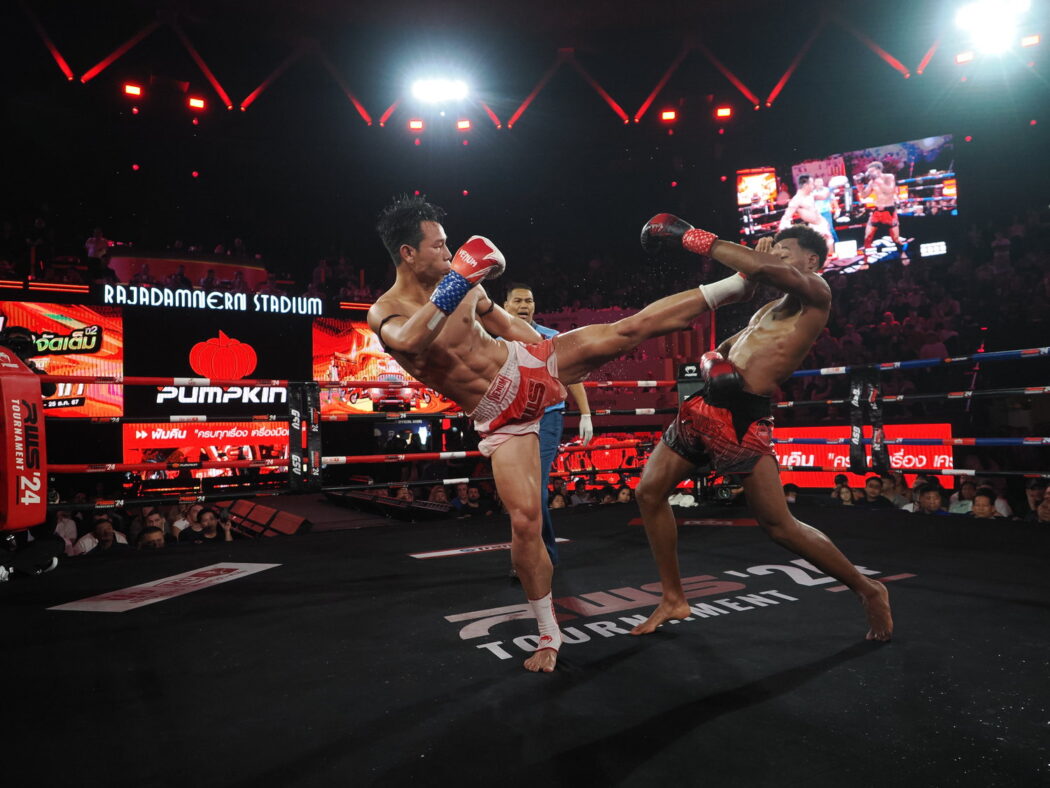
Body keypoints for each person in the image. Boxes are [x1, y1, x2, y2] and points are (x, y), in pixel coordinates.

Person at [368, 196, 759, 672]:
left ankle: (737, 285)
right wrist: (459, 280)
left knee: (625, 331)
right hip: (499, 416)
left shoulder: (466, 287)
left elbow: (511, 326)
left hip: (525, 366)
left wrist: (558, 355)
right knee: (525, 522)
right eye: (438, 246)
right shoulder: (387, 311)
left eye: (450, 246)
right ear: (408, 253)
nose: (450, 254)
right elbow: (411, 341)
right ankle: (548, 633)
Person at [627, 218, 892, 642]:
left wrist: (690, 236)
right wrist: (715, 366)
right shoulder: (767, 310)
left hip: (742, 417)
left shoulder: (817, 293)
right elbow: (720, 350)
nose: (777, 255)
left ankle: (868, 589)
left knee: (778, 525)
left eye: (786, 252)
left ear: (811, 261)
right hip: (703, 407)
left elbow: (766, 269)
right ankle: (673, 598)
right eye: (776, 251)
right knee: (648, 492)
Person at [503, 282, 593, 566]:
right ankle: (529, 555)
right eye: (518, 301)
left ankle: (542, 556)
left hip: (547, 418)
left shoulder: (551, 337)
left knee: (535, 492)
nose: (524, 306)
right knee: (517, 494)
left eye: (528, 301)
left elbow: (571, 375)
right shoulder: (497, 340)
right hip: (511, 421)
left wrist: (586, 414)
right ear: (506, 306)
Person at [857, 161, 906, 259]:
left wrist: (878, 181)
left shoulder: (889, 177)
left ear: (879, 170)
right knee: (867, 237)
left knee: (895, 238)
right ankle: (866, 260)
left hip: (889, 211)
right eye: (869, 172)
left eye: (872, 171)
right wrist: (859, 185)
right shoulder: (871, 182)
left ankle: (902, 254)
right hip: (877, 212)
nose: (870, 174)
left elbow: (889, 191)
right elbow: (864, 195)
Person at [778, 175, 835, 254]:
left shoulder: (811, 195)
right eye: (811, 184)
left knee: (829, 246)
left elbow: (824, 196)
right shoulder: (796, 200)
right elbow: (786, 217)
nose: (813, 186)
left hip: (822, 224)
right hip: (815, 227)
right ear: (805, 185)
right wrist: (784, 231)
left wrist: (831, 187)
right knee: (823, 249)